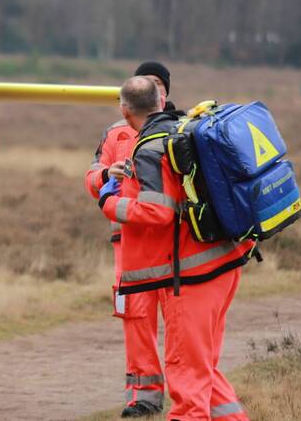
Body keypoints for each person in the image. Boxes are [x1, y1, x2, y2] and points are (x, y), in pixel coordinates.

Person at [100, 76, 253, 421]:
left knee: (185, 375)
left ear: (125, 112)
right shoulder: (183, 129)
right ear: (160, 101)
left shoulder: (149, 147)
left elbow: (157, 211)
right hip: (225, 262)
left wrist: (109, 201)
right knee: (203, 369)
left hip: (192, 276)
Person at [84, 61, 175, 418]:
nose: (154, 92)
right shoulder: (114, 135)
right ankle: (144, 395)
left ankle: (187, 390)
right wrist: (108, 174)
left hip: (170, 242)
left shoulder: (179, 130)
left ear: (165, 93)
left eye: (158, 86)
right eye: (147, 86)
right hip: (128, 241)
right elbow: (91, 177)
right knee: (135, 316)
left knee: (178, 316)